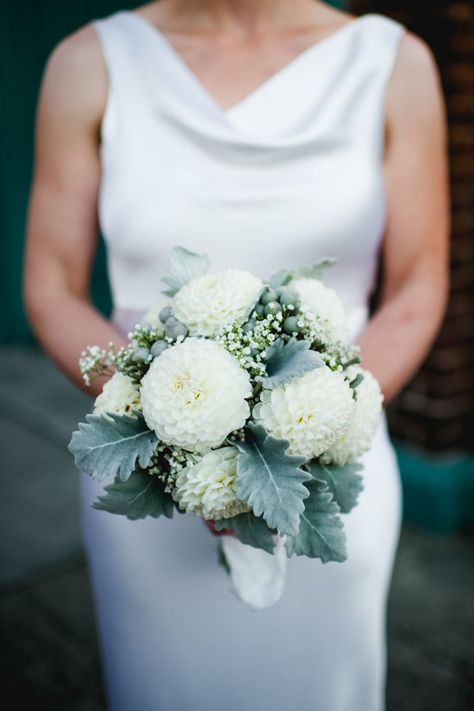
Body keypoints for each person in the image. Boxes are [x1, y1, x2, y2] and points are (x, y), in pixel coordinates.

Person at [24, 1, 450, 709]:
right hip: (154, 477)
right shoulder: (87, 63)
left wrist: (321, 426)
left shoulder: (393, 63)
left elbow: (419, 281)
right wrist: (170, 429)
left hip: (332, 464)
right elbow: (50, 286)